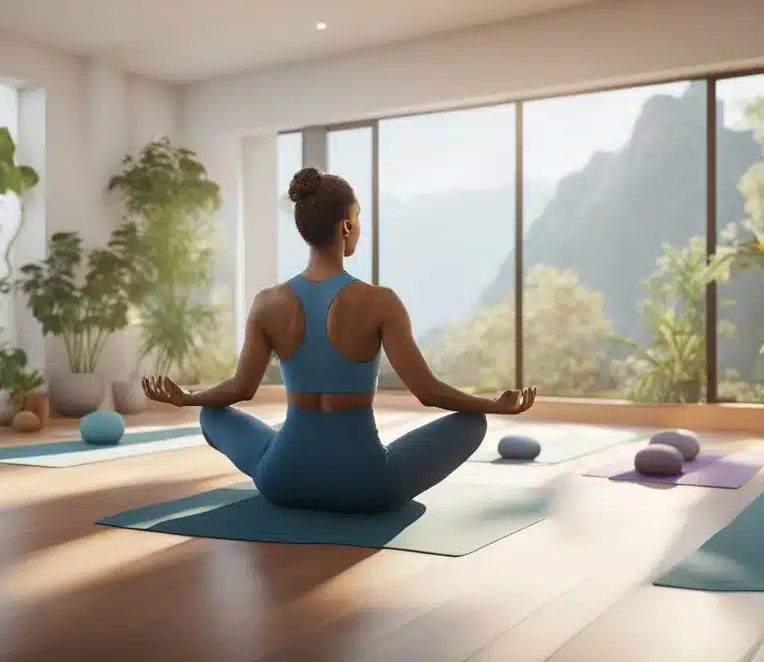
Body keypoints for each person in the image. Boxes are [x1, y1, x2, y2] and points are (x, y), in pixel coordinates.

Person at [142, 166, 536, 514]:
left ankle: (292, 449)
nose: (359, 227)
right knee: (473, 423)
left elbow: (241, 389)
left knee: (212, 414)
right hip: (367, 487)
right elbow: (428, 392)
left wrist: (188, 398)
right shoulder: (380, 302)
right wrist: (492, 405)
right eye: (358, 218)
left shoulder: (267, 303)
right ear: (345, 227)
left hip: (283, 482)